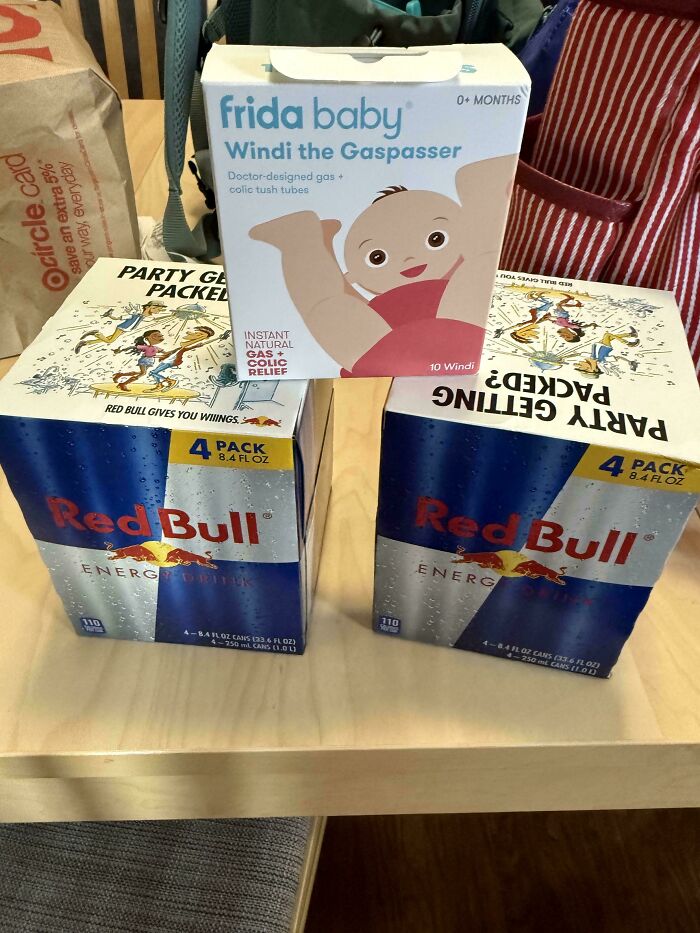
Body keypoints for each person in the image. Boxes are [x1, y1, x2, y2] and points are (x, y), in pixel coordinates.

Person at [249, 155, 515, 376]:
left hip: (457, 330)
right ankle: (301, 241)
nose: (409, 259)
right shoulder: (369, 314)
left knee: (478, 269)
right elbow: (344, 305)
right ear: (353, 276)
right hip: (377, 347)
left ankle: (483, 186)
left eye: (436, 238)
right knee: (329, 307)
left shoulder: (461, 278)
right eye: (377, 257)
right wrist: (322, 253)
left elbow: (477, 264)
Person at [75, 300, 167, 353]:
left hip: (126, 329)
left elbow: (147, 316)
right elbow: (120, 318)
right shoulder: (136, 314)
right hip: (122, 328)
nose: (157, 312)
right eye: (157, 309)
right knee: (110, 340)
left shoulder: (142, 316)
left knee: (108, 338)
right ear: (148, 307)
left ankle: (85, 343)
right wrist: (110, 315)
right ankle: (96, 333)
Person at [147, 326, 216, 391]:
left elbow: (186, 349)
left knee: (153, 372)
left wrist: (195, 346)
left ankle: (171, 381)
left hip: (172, 361)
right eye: (197, 333)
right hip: (167, 360)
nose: (197, 335)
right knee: (154, 372)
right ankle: (159, 385)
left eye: (201, 334)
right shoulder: (186, 343)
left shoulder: (192, 344)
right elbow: (174, 351)